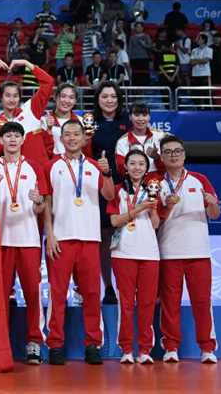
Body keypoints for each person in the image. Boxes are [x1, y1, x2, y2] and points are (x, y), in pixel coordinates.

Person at [43, 119, 115, 366]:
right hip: (61, 239)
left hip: (90, 238)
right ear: (61, 139)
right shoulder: (51, 166)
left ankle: (93, 344)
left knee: (92, 294)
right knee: (57, 293)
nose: (72, 138)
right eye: (68, 134)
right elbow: (47, 202)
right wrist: (49, 234)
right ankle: (55, 344)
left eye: (77, 134)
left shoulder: (95, 166)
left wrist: (107, 173)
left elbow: (109, 195)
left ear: (85, 139)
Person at [0, 122, 47, 364]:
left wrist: (39, 200)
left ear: (23, 140)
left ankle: (34, 343)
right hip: (0, 241)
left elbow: (41, 207)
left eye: (16, 136)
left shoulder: (34, 168)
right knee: (0, 296)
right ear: (0, 140)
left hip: (29, 239)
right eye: (8, 136)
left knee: (33, 292)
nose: (12, 140)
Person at [157, 135, 220, 364]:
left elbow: (214, 214)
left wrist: (212, 203)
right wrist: (166, 207)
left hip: (199, 252)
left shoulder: (199, 179)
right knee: (169, 303)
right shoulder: (156, 184)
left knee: (202, 302)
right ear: (162, 157)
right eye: (168, 152)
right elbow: (155, 220)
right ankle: (171, 347)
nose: (173, 155)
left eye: (177, 151)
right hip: (169, 251)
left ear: (184, 154)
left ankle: (207, 348)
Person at [106, 149, 161, 365]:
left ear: (146, 168)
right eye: (133, 164)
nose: (137, 167)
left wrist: (152, 208)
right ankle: (127, 349)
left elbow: (155, 224)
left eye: (141, 164)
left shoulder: (153, 189)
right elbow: (114, 221)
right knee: (126, 304)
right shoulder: (117, 190)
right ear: (126, 168)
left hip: (149, 252)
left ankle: (145, 350)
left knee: (147, 303)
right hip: (123, 252)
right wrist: (139, 209)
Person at [90, 81, 132, 305]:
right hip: (98, 184)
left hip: (124, 184)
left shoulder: (128, 121)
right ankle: (108, 286)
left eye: (113, 96)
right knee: (104, 235)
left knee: (127, 233)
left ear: (119, 99)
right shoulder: (90, 121)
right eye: (104, 96)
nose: (109, 100)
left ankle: (128, 286)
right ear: (98, 99)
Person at [0, 59, 55, 165]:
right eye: (7, 95)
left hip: (39, 170)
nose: (11, 100)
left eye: (15, 96)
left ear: (19, 98)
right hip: (15, 173)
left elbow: (48, 82)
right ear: (0, 97)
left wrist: (26, 63)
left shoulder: (30, 110)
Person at [114, 102, 166, 177]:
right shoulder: (122, 142)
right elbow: (122, 172)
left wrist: (157, 158)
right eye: (137, 115)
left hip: (159, 182)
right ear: (130, 117)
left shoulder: (161, 136)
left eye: (144, 115)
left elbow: (168, 167)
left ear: (149, 117)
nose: (141, 119)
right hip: (133, 183)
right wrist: (132, 161)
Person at [128, 22, 152, 87]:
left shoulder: (146, 36)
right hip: (134, 58)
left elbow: (150, 47)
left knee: (144, 75)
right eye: (137, 27)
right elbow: (130, 49)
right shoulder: (132, 37)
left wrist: (144, 45)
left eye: (140, 27)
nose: (139, 28)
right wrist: (129, 59)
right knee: (136, 76)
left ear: (143, 28)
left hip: (143, 58)